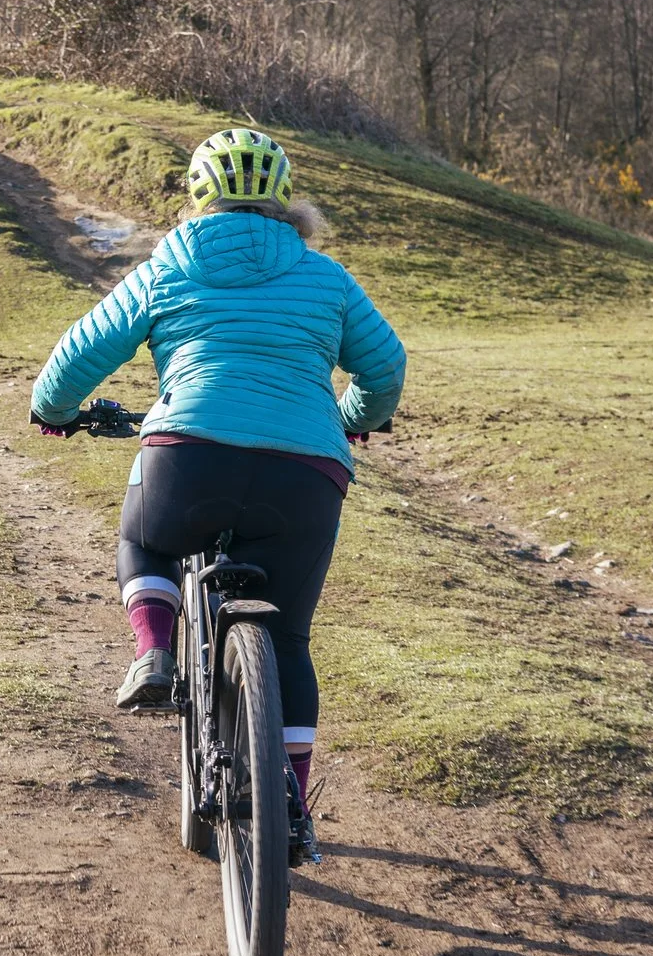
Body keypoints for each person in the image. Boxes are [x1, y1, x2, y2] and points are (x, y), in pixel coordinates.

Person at [29, 128, 404, 864]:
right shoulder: (325, 276)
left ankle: (155, 650)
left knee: (145, 538)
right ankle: (291, 807)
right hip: (306, 474)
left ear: (197, 196)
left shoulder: (171, 263)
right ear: (282, 197)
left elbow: (79, 353)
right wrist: (352, 419)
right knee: (289, 640)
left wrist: (54, 410)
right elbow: (384, 364)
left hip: (190, 458)